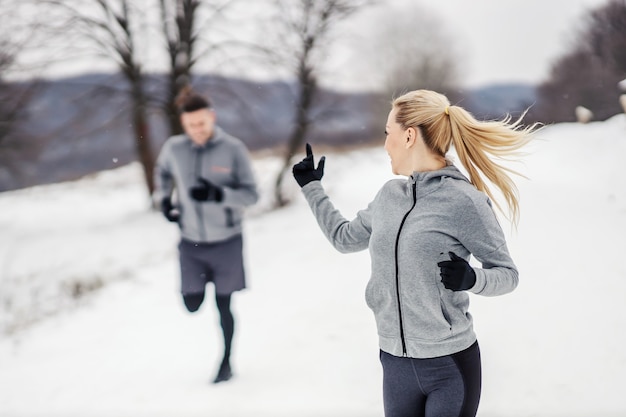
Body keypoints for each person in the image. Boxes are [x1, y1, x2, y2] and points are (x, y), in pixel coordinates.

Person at [292, 89, 537, 417]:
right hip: (394, 364)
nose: (384, 144)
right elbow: (343, 238)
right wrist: (312, 187)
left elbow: (508, 275)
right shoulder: (389, 196)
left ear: (408, 136)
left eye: (387, 133)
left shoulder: (463, 201)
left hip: (448, 368)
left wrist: (472, 278)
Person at [153, 88, 259, 384]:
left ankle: (226, 362)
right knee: (192, 304)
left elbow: (252, 195)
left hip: (227, 241)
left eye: (201, 123)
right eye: (190, 126)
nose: (196, 130)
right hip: (191, 243)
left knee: (223, 305)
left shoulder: (233, 149)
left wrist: (218, 194)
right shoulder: (174, 148)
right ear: (183, 125)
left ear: (212, 117)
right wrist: (163, 198)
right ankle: (197, 291)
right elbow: (162, 172)